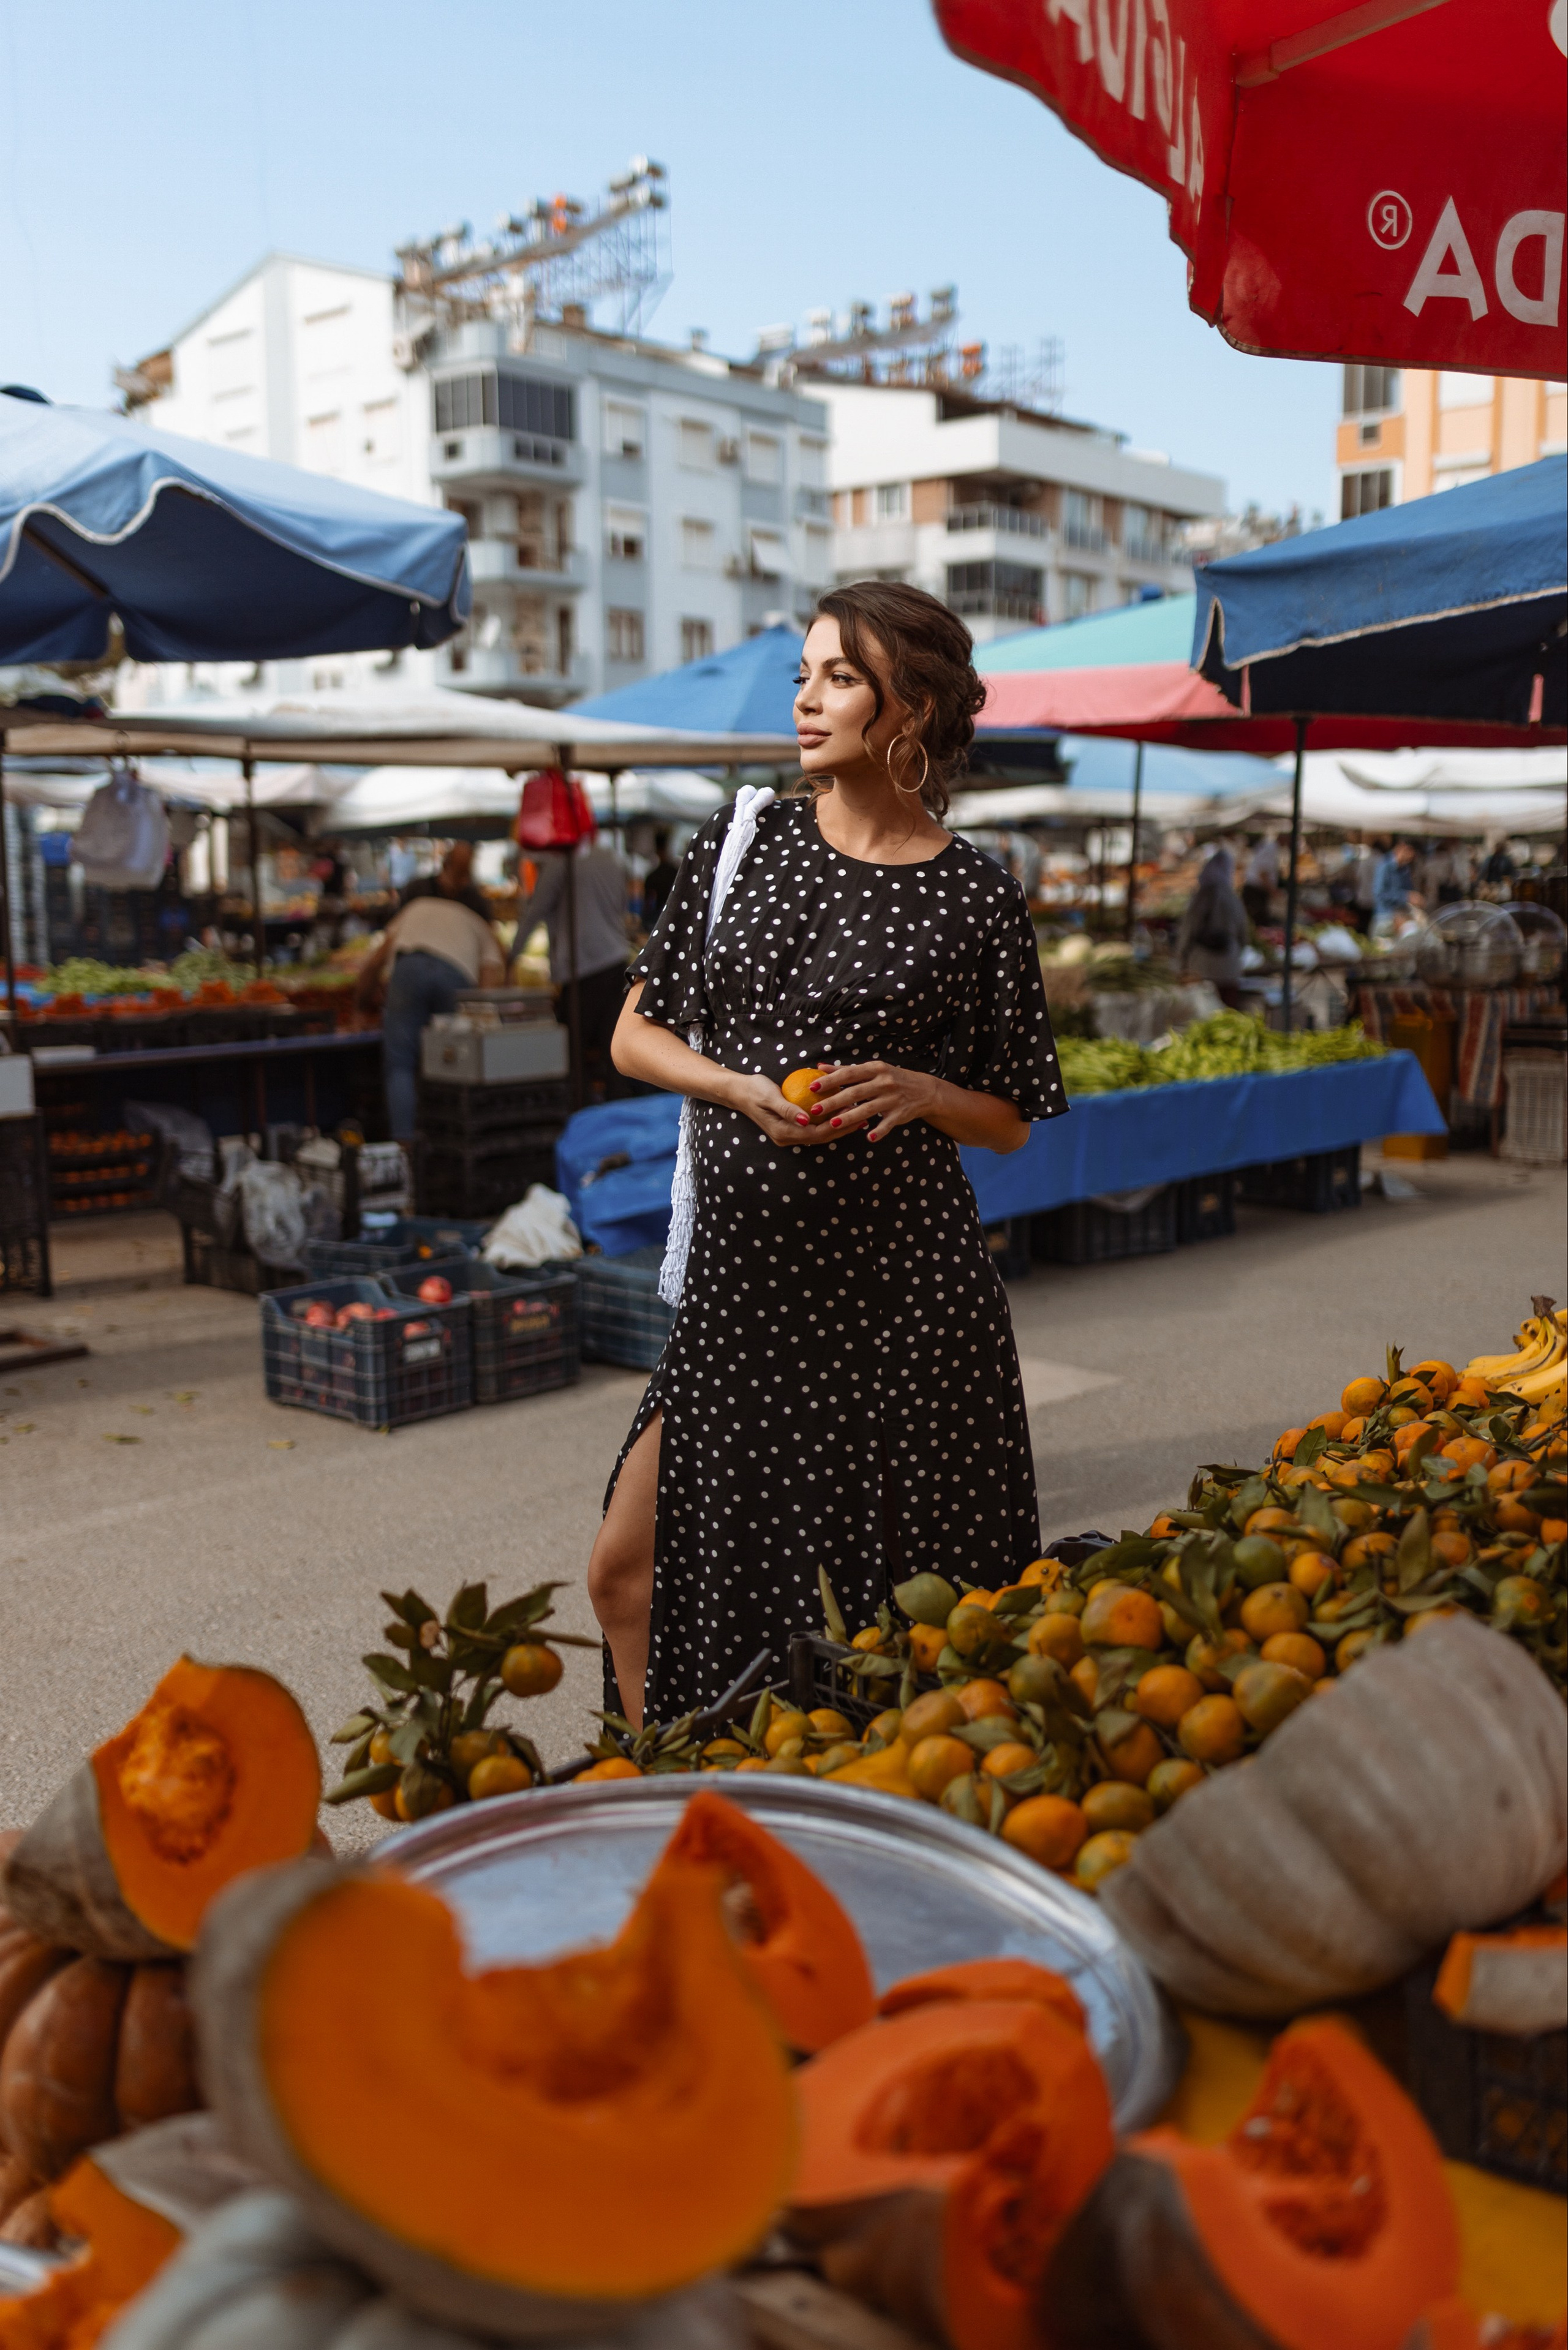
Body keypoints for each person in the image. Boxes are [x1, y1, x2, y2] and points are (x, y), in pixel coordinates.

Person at [587, 581, 1065, 1728]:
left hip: (901, 1309)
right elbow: (634, 1037)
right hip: (743, 1299)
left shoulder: (976, 896)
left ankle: (807, 1809)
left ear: (914, 708)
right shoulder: (741, 843)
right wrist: (732, 1087)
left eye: (840, 678)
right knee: (624, 1573)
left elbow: (1010, 1115)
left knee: (875, 1635)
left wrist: (925, 1090)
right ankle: (666, 1786)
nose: (806, 700)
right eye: (804, 676)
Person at [354, 843, 504, 1139]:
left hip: (410, 967)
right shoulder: (480, 921)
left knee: (401, 1065)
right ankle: (456, 1137)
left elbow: (373, 964)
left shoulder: (415, 908)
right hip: (456, 975)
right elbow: (492, 975)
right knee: (458, 1062)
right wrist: (484, 1020)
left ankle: (406, 1146)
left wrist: (359, 1008)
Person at [516, 838, 633, 1101]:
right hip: (616, 961)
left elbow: (536, 910)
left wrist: (512, 955)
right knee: (614, 1047)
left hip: (583, 968)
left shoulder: (561, 862)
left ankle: (584, 1110)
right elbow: (622, 906)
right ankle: (616, 1108)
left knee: (573, 1051)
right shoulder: (611, 859)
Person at [1175, 846, 1250, 1008]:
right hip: (1229, 966)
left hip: (1203, 966)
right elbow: (1244, 935)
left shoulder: (1202, 897)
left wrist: (1182, 956)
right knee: (1226, 1013)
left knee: (1203, 1011)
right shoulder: (1234, 899)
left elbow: (1189, 929)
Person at [1373, 838, 1423, 924]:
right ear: (1402, 848)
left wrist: (1414, 897)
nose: (1412, 857)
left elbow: (1408, 890)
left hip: (1401, 917)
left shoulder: (1405, 869)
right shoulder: (1385, 866)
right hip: (1386, 917)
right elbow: (1380, 894)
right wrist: (1406, 897)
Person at [640, 829, 679, 930]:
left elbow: (647, 905)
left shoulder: (653, 876)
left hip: (659, 921)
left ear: (656, 850)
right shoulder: (677, 873)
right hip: (676, 917)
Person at [1241, 834, 1280, 930]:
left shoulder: (1272, 848)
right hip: (1255, 892)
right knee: (1259, 924)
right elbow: (1263, 874)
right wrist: (1274, 893)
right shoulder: (1271, 849)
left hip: (1256, 891)